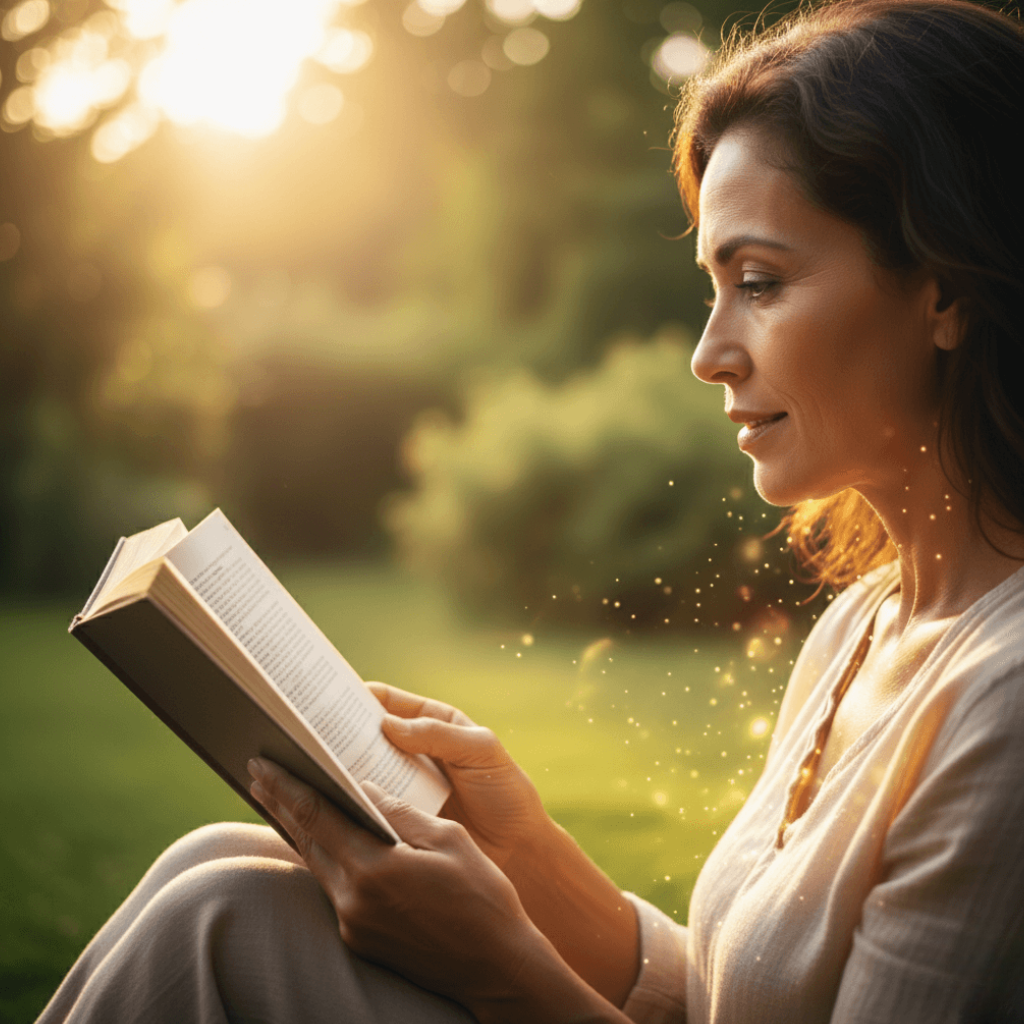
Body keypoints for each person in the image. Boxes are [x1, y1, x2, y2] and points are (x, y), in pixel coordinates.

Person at [37, 0, 1024, 1021]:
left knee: (219, 924)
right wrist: (528, 857)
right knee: (224, 879)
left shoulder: (1006, 704)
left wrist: (501, 965)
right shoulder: (865, 625)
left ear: (944, 289)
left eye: (761, 281)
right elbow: (739, 1002)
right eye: (711, 288)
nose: (708, 352)